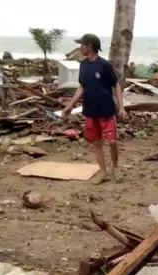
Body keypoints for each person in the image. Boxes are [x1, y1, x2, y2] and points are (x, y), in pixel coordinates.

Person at [62, 34, 126, 184]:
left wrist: (121, 107)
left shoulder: (104, 65)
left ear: (89, 46)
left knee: (112, 142)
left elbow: (115, 85)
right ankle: (103, 171)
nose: (79, 48)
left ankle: (115, 167)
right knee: (96, 143)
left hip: (106, 110)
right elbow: (82, 87)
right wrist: (70, 106)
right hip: (90, 111)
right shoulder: (83, 65)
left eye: (81, 45)